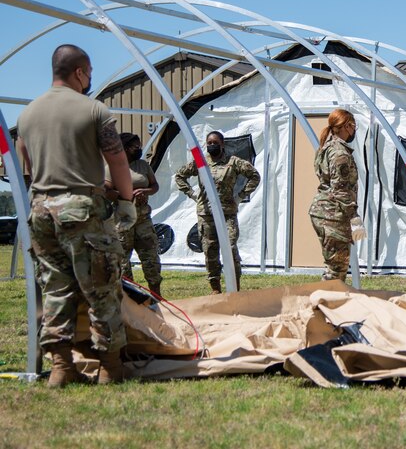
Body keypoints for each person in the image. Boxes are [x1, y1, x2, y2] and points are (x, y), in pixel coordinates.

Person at [17, 44, 137, 387]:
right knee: (101, 288)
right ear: (80, 72)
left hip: (41, 211)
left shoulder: (27, 115)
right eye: (89, 74)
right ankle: (110, 367)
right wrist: (126, 201)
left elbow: (29, 162)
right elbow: (117, 159)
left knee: (55, 288)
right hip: (83, 212)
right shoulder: (94, 109)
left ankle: (61, 368)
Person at [175, 131, 259, 294]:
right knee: (210, 250)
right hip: (207, 214)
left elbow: (254, 176)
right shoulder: (201, 161)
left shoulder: (233, 162)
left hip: (227, 213)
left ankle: (234, 287)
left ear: (222, 144)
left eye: (215, 142)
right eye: (209, 143)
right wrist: (193, 194)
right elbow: (180, 176)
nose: (211, 145)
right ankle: (215, 288)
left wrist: (240, 196)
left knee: (231, 247)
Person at [309, 109, 366, 282]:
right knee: (336, 269)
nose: (354, 130)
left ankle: (327, 303)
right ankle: (326, 305)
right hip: (332, 214)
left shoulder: (326, 147)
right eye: (353, 125)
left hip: (326, 212)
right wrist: (354, 217)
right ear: (346, 126)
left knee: (334, 267)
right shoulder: (339, 153)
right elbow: (340, 188)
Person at [105, 133, 162, 296]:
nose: (139, 149)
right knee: (122, 263)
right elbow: (106, 191)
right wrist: (124, 194)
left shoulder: (143, 165)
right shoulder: (112, 167)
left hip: (143, 220)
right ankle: (130, 299)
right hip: (122, 221)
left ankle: (157, 297)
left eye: (139, 146)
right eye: (135, 147)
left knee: (151, 259)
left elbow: (154, 185)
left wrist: (146, 191)